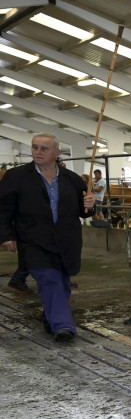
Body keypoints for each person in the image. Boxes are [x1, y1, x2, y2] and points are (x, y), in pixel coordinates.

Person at [0, 132, 96, 342]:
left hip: (67, 241)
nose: (38, 152)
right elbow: (4, 210)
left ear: (57, 153)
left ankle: (49, 316)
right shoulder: (16, 177)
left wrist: (90, 205)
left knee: (61, 282)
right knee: (50, 279)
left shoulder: (72, 179)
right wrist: (6, 235)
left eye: (44, 148)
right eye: (35, 147)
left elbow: (84, 211)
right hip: (33, 241)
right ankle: (63, 326)